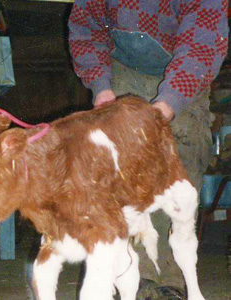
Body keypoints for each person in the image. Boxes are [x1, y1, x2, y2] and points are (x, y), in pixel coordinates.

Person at [68, 0, 229, 298]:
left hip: (184, 69)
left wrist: (166, 106)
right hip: (124, 67)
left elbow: (201, 46)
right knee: (117, 172)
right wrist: (102, 89)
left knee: (179, 166)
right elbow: (86, 28)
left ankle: (165, 280)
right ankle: (122, 275)